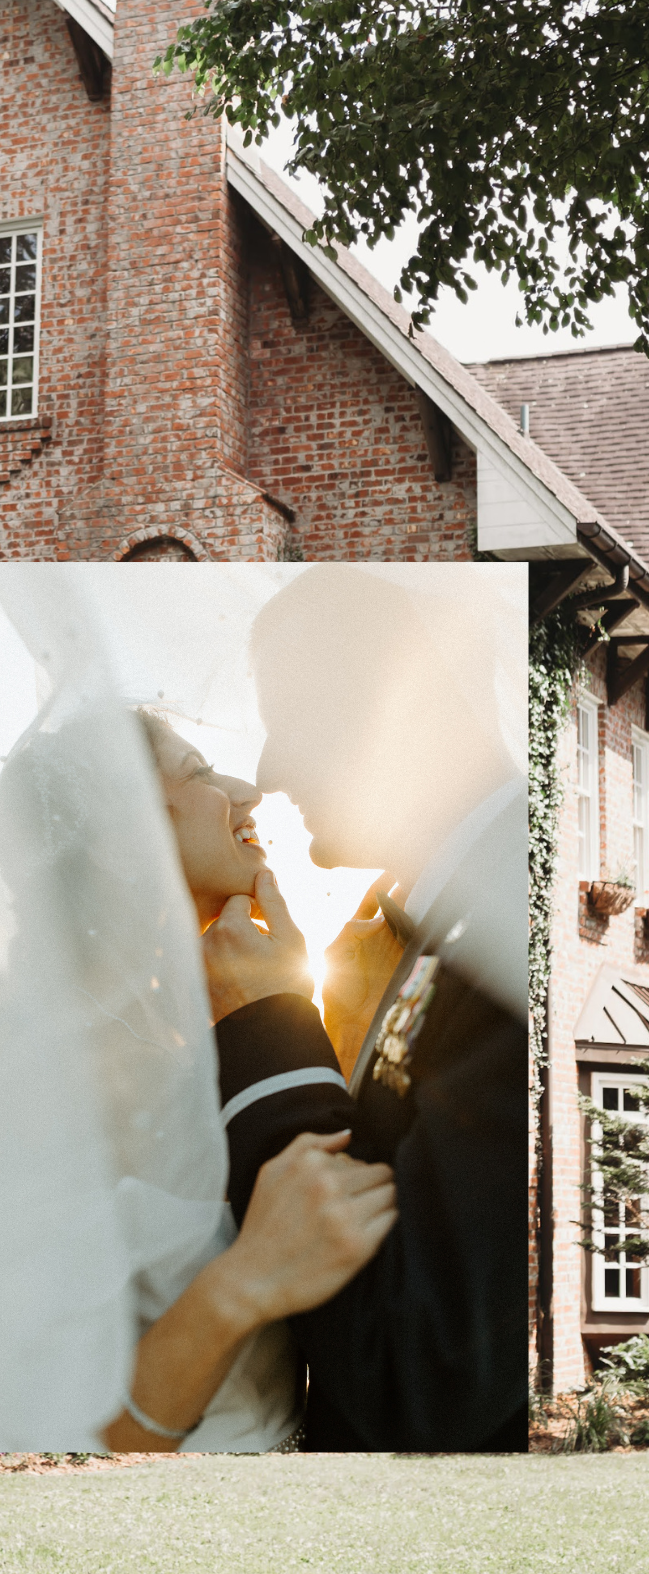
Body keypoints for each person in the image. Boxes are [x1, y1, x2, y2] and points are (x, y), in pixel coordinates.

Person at [204, 566, 528, 1451]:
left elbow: (424, 1366)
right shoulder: (452, 915)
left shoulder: (514, 920)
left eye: (293, 718)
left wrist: (269, 1019)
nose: (267, 773)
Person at [101, 714, 396, 1450]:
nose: (250, 790)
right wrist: (241, 1283)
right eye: (201, 771)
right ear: (125, 827)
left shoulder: (207, 1035)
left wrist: (344, 1034)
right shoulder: (57, 1066)